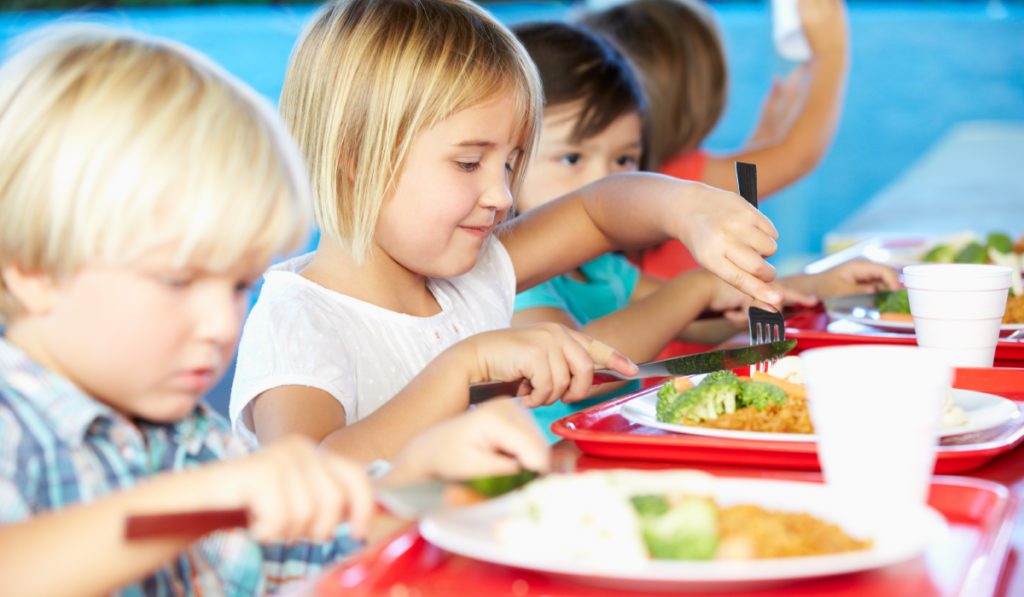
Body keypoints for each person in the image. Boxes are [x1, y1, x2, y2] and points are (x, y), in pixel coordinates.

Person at [0, 26, 549, 595]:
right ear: (33, 270)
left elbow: (309, 554)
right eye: (177, 280)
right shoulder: (14, 431)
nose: (221, 326)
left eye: (238, 285)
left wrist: (420, 483)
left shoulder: (189, 438)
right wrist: (201, 501)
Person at [231, 0, 785, 462]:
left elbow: (596, 210)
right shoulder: (299, 322)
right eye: (469, 163)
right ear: (357, 157)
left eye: (511, 162)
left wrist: (687, 208)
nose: (500, 195)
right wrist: (465, 367)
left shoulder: (471, 275)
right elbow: (307, 483)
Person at [509, 22, 897, 432]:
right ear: (507, 159)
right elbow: (580, 370)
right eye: (572, 159)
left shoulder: (600, 268)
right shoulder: (514, 279)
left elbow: (696, 317)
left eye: (624, 160)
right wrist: (696, 287)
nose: (605, 180)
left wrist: (815, 287)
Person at [581, 0, 850, 279]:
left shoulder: (633, 179)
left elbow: (741, 186)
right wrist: (831, 53)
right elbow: (797, 157)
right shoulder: (678, 180)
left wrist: (764, 139)